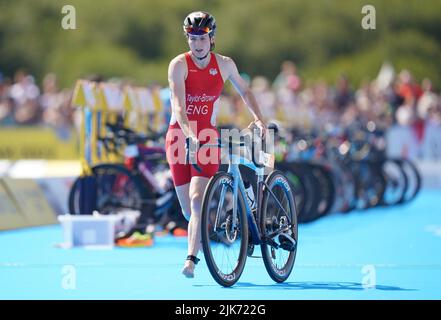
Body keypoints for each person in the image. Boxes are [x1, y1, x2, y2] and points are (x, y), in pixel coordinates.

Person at [166, 11, 266, 278]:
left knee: (198, 199)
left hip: (206, 136)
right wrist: (189, 135)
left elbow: (245, 91)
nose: (197, 43)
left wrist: (258, 117)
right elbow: (178, 105)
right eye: (192, 37)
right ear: (187, 38)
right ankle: (202, 233)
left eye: (203, 37)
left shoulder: (224, 64)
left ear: (212, 38)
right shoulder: (178, 64)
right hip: (179, 135)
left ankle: (191, 260)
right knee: (188, 210)